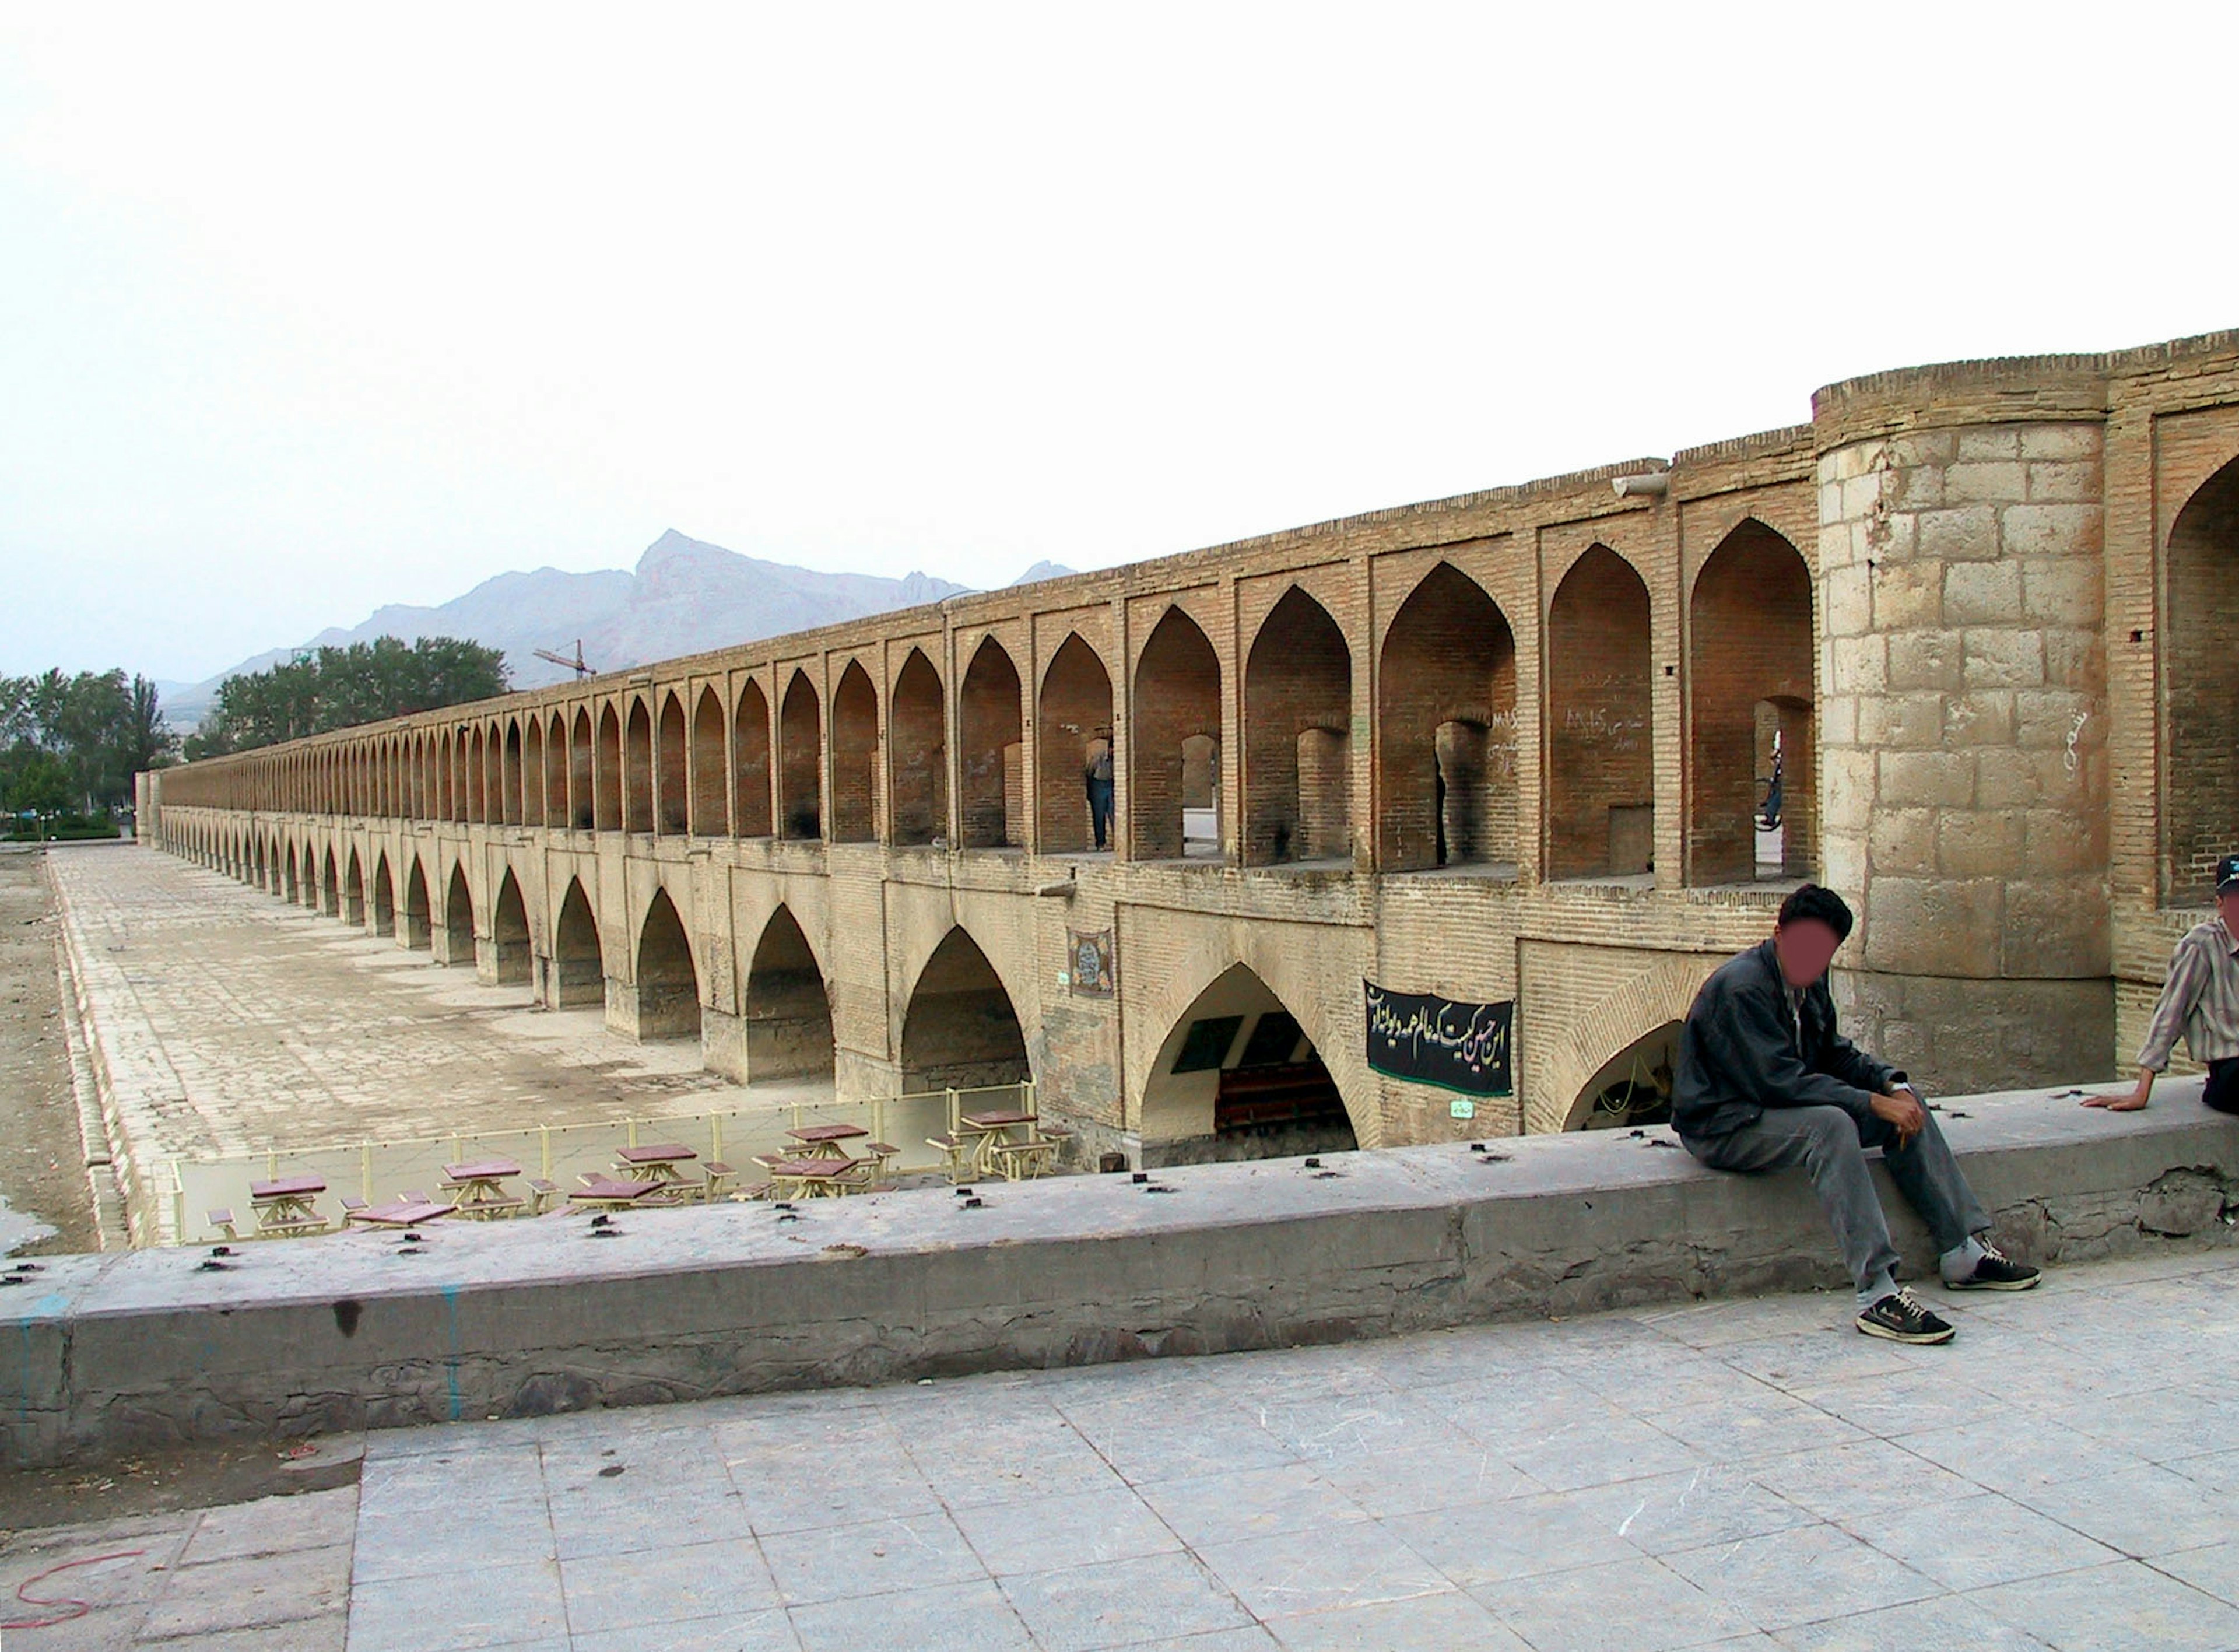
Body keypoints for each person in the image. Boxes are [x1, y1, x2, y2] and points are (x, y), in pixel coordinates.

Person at [1672, 884, 2039, 1345]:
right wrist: (1869, 1102)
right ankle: (1876, 1290)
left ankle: (1961, 1249)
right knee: (1831, 1126)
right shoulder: (1742, 988)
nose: (1811, 960)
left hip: (1770, 1109)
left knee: (1908, 1102)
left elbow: (1831, 1054)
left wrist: (1888, 1083)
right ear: (1778, 933)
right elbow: (1779, 1081)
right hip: (1725, 1123)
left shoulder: (1809, 981)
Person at [2087, 853, 2239, 1116]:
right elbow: (2172, 1012)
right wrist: (2142, 1090)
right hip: (2230, 1071)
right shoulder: (2202, 944)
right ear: (2221, 904)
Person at [1085, 728, 1114, 850]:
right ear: (1110, 749)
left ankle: (1118, 842)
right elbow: (1089, 773)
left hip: (1113, 785)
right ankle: (1100, 843)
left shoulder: (1119, 759)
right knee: (1099, 816)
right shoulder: (1099, 758)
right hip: (1098, 785)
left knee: (1114, 814)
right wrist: (1090, 792)